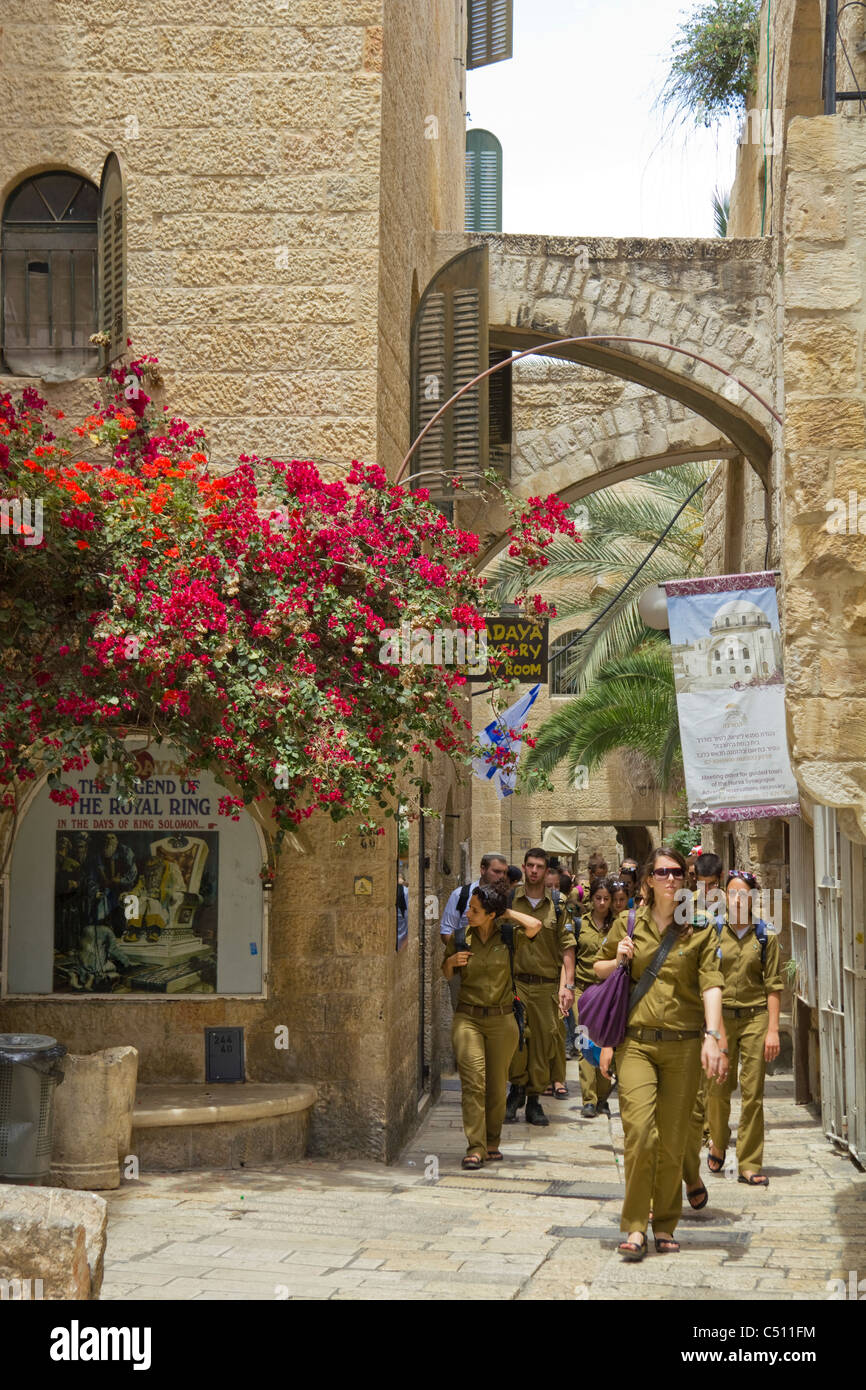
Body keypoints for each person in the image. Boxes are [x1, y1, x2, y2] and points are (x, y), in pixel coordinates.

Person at [595, 847, 726, 1260]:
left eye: (677, 873)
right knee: (640, 1134)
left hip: (685, 1045)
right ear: (649, 879)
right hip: (636, 1043)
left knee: (672, 1140)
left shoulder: (700, 927)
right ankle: (635, 1225)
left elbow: (711, 982)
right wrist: (617, 958)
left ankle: (666, 1222)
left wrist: (711, 1035)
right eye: (663, 873)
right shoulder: (628, 922)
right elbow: (597, 970)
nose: (672, 879)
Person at [442, 884, 542, 1169]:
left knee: (497, 1086)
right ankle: (475, 1146)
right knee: (473, 1082)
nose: (468, 913)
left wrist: (506, 912)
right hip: (468, 1018)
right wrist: (451, 960)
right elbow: (446, 973)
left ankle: (492, 1140)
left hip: (502, 1019)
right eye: (469, 908)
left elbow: (535, 925)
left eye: (475, 910)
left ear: (491, 914)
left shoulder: (510, 936)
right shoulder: (461, 938)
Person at [705, 870, 783, 1187]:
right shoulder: (712, 933)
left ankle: (749, 1162)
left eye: (744, 893)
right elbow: (707, 980)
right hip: (722, 1017)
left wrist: (774, 1030)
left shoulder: (766, 936)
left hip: (755, 1018)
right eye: (732, 893)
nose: (738, 899)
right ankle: (719, 1141)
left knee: (753, 1094)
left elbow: (774, 985)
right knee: (718, 1086)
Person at [504, 848, 576, 1126]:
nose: (534, 871)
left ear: (547, 872)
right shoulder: (511, 900)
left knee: (544, 1044)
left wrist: (567, 986)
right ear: (523, 867)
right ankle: (516, 1091)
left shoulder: (557, 904)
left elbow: (567, 948)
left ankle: (534, 1099)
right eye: (530, 866)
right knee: (516, 1042)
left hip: (547, 986)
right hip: (516, 983)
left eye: (540, 867)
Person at [681, 851, 725, 1211]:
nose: (705, 890)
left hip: (723, 996)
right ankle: (701, 1137)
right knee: (697, 1087)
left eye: (712, 885)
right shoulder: (687, 907)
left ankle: (712, 1135)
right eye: (701, 884)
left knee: (715, 1081)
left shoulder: (734, 905)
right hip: (692, 1003)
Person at [440, 854, 509, 1009]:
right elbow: (446, 930)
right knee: (463, 1011)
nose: (501, 877)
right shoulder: (461, 895)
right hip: (465, 968)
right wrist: (463, 948)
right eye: (497, 871)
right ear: (482, 869)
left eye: (504, 873)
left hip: (497, 968)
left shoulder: (507, 898)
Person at [573, 876, 615, 1118]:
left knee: (605, 1043)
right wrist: (567, 987)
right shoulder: (581, 924)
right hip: (583, 989)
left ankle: (603, 1097)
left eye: (606, 899)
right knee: (584, 1043)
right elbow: (570, 956)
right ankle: (589, 1099)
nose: (601, 902)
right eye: (598, 898)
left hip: (607, 991)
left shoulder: (617, 925)